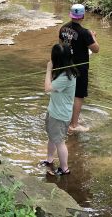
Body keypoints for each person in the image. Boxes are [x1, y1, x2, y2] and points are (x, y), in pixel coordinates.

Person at [59, 4, 99, 133]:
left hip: (66, 65)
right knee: (78, 95)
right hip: (80, 68)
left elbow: (61, 46)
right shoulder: (85, 32)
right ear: (82, 16)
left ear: (71, 15)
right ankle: (74, 125)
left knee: (68, 93)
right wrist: (93, 36)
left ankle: (68, 118)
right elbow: (96, 49)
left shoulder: (63, 28)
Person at [41, 43, 77, 176]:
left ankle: (64, 169)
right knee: (51, 137)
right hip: (53, 111)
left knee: (60, 142)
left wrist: (48, 69)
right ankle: (49, 160)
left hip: (60, 115)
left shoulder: (66, 77)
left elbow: (47, 88)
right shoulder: (64, 71)